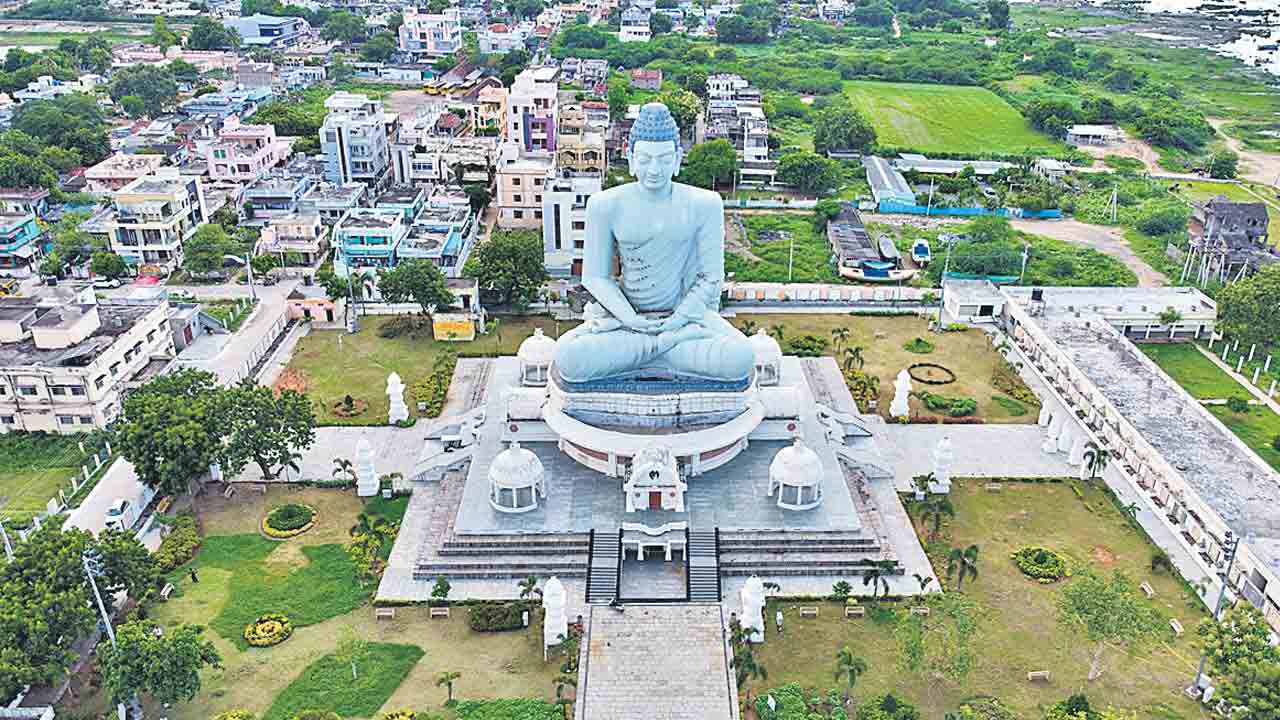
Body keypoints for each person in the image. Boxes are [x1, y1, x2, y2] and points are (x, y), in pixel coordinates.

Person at [552, 102, 754, 386]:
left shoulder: (704, 204)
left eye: (664, 159)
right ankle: (665, 348)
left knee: (741, 357)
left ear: (678, 159)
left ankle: (651, 351)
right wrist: (631, 319)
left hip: (684, 320)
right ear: (631, 158)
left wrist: (678, 320)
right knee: (569, 357)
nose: (655, 170)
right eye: (645, 160)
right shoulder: (605, 205)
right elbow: (595, 277)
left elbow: (711, 277)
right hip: (626, 324)